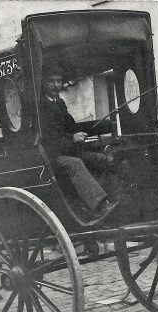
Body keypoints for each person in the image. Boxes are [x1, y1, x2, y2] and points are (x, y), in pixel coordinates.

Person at [39, 63, 117, 221]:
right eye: (52, 81)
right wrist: (72, 138)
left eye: (58, 81)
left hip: (67, 150)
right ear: (44, 83)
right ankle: (99, 205)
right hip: (52, 156)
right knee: (75, 164)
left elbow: (72, 126)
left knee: (101, 159)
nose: (56, 85)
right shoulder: (40, 107)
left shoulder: (59, 103)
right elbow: (48, 138)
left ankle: (104, 202)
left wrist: (103, 125)